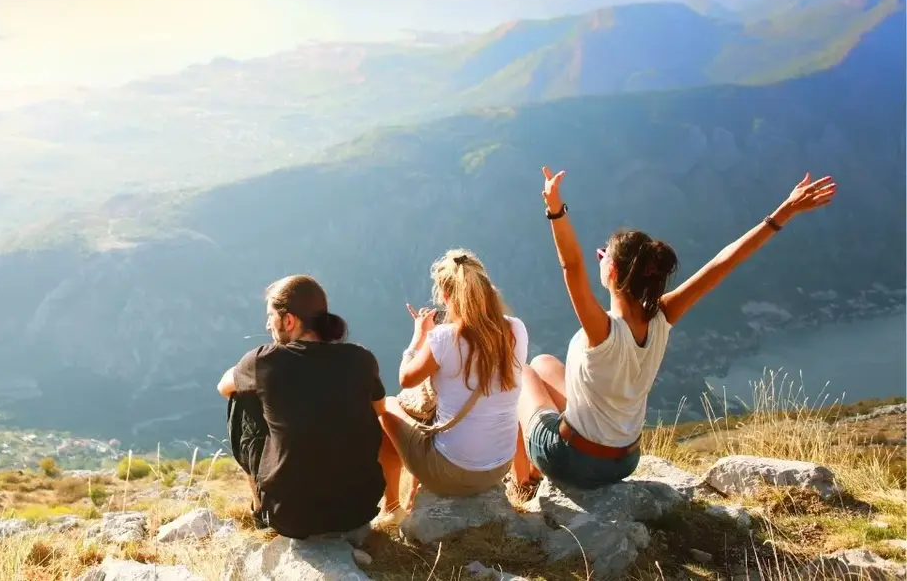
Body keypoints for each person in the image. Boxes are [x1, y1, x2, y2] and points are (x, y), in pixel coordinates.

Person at [509, 167, 837, 501]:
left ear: (613, 270)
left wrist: (555, 209)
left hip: (575, 462)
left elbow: (572, 266)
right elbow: (722, 264)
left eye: (602, 255)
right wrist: (785, 211)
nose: (598, 259)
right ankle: (535, 471)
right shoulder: (662, 316)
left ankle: (523, 484)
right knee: (544, 362)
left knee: (522, 371)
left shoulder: (603, 330)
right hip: (624, 460)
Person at [216, 275, 385, 544]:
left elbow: (223, 386)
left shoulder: (265, 360)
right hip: (359, 510)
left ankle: (261, 509)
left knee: (242, 398)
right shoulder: (361, 359)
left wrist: (250, 375)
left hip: (292, 517)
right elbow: (379, 411)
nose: (267, 324)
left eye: (271, 316)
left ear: (289, 320)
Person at [378, 249, 528, 519]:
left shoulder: (444, 339)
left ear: (446, 297)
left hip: (453, 472)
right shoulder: (516, 329)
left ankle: (391, 508)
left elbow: (406, 378)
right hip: (498, 467)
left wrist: (419, 336)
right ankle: (522, 480)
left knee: (387, 406)